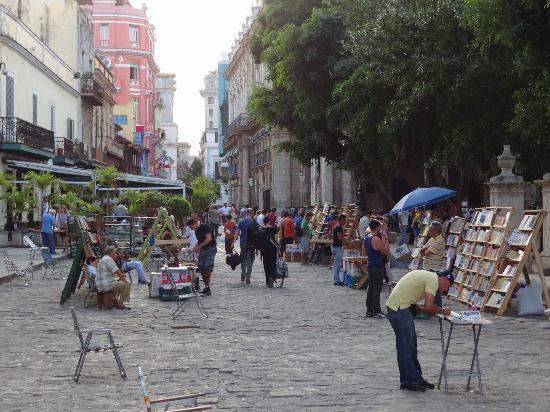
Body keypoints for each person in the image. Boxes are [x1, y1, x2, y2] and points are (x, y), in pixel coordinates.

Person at [385, 269, 454, 391]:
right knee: (406, 345)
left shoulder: (428, 277)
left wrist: (424, 309)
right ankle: (408, 381)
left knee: (411, 345)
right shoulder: (433, 280)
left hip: (401, 306)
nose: (444, 290)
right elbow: (429, 307)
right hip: (399, 308)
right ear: (444, 279)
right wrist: (443, 311)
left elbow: (415, 300)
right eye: (447, 286)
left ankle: (416, 377)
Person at [364, 220, 389, 318]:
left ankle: (369, 310)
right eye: (379, 227)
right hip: (377, 266)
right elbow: (385, 252)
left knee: (371, 288)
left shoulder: (366, 238)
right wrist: (385, 240)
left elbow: (364, 251)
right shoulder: (376, 239)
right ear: (376, 227)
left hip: (371, 264)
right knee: (376, 289)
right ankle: (376, 310)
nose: (380, 229)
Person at [188, 218, 217, 296]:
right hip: (203, 250)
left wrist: (199, 247)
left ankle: (207, 287)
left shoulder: (204, 227)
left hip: (210, 248)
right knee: (201, 267)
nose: (192, 229)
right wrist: (195, 247)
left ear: (195, 223)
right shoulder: (197, 231)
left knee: (207, 266)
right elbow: (200, 240)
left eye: (191, 227)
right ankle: (206, 287)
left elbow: (208, 239)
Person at [233, 208, 256, 284]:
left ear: (246, 213)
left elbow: (237, 232)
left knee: (243, 259)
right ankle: (248, 278)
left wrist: (233, 242)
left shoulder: (241, 221)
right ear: (252, 213)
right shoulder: (253, 222)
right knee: (250, 261)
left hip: (243, 243)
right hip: (251, 244)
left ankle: (243, 275)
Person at [259, 216, 279, 288]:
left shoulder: (261, 229)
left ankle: (267, 280)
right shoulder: (274, 229)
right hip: (273, 248)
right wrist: (278, 247)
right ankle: (272, 277)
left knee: (266, 264)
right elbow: (276, 239)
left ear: (264, 222)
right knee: (273, 263)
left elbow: (260, 241)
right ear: (269, 221)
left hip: (264, 249)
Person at [331, 214, 348, 285]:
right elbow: (340, 237)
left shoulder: (336, 226)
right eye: (344, 220)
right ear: (341, 219)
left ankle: (336, 279)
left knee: (336, 264)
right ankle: (337, 280)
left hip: (335, 246)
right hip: (337, 247)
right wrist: (346, 242)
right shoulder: (338, 227)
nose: (345, 221)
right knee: (337, 264)